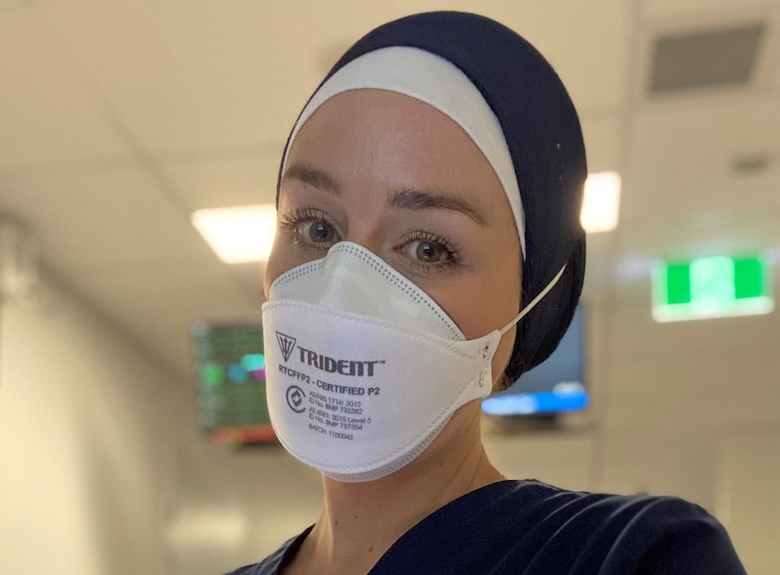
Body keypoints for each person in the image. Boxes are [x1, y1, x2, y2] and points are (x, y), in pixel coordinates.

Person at [229, 11, 746, 575]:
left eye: (428, 248)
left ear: (529, 306)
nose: (344, 291)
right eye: (316, 228)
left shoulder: (633, 557)